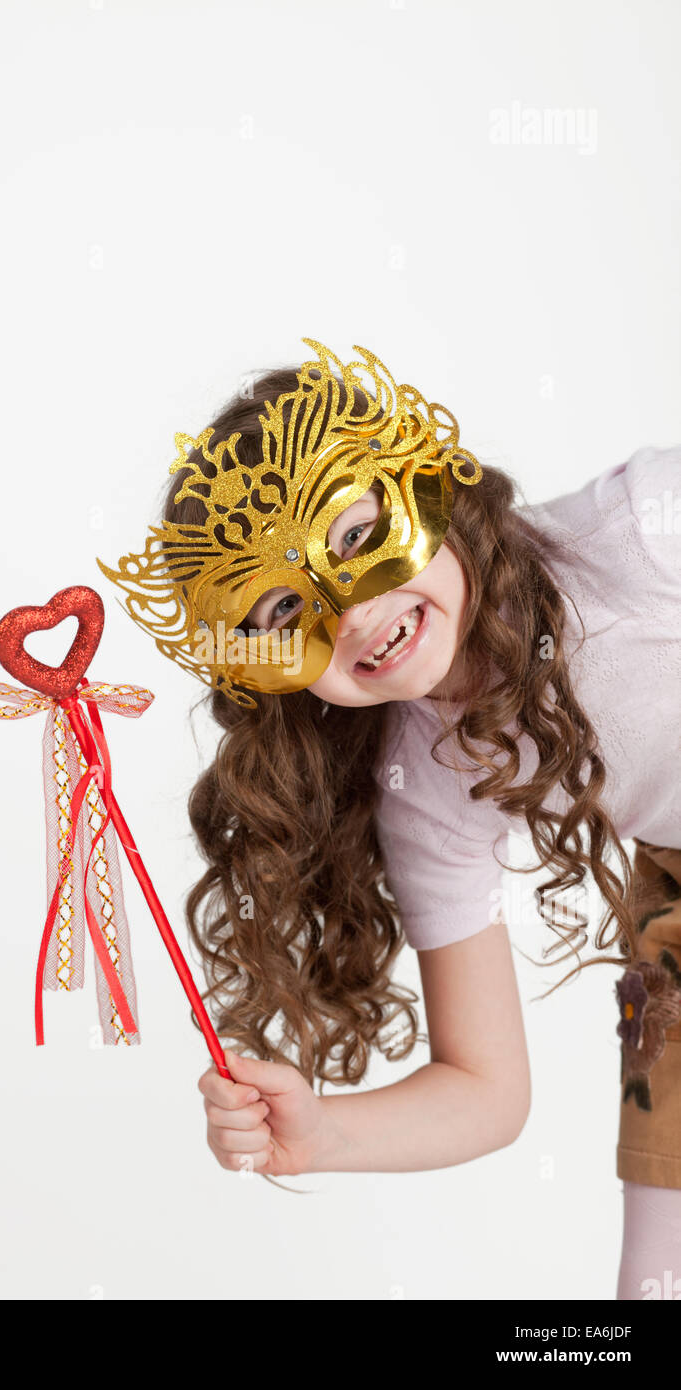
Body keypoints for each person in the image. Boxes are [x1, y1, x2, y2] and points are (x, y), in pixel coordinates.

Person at [96, 338, 681, 1299]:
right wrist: (325, 1134)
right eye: (282, 608)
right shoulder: (426, 783)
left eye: (358, 538)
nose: (352, 610)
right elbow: (486, 1089)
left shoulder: (642, 532)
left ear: (426, 481)